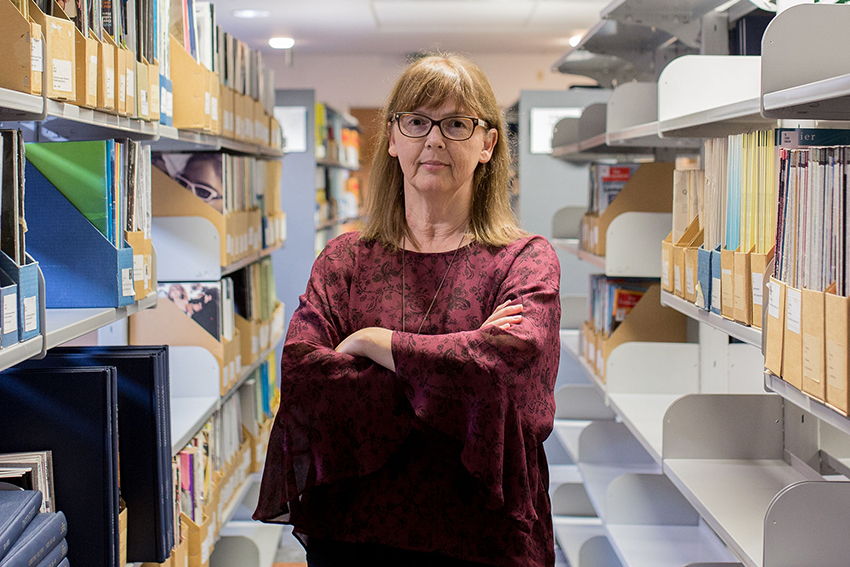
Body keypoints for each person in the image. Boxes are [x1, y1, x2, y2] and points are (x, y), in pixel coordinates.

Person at [254, 53, 561, 567]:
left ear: (488, 144)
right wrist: (456, 375)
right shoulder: (345, 260)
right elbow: (305, 376)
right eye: (417, 122)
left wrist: (375, 343)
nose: (434, 139)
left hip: (482, 538)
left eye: (457, 123)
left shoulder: (524, 261)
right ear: (393, 139)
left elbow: (503, 376)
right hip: (354, 536)